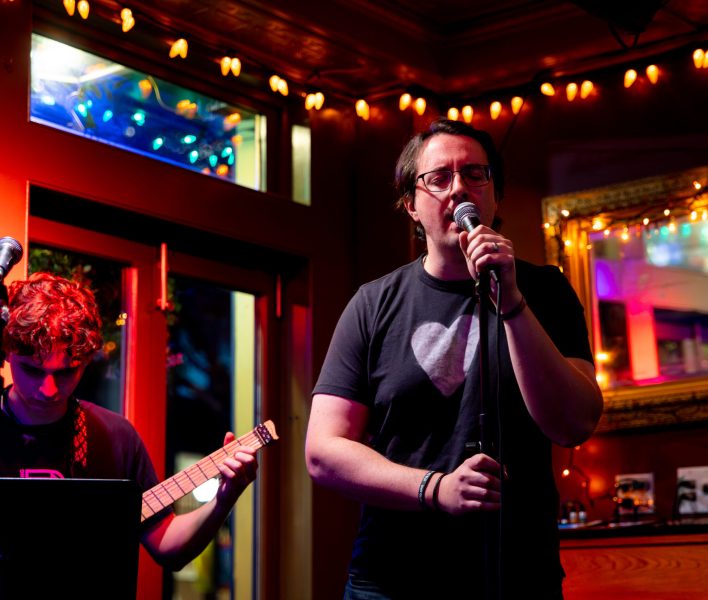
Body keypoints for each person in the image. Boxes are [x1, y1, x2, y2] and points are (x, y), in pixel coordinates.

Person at [305, 118, 603, 599]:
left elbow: (573, 424)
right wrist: (435, 488)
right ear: (412, 205)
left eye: (475, 174)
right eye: (439, 178)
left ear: (494, 195)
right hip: (392, 580)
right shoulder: (373, 303)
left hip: (517, 575)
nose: (459, 188)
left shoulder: (544, 291)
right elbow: (324, 451)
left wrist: (512, 304)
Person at [0, 271, 258, 570]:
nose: (48, 389)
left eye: (66, 372)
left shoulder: (115, 436)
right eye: (32, 370)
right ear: (6, 353)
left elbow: (167, 545)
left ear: (85, 361)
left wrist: (223, 500)